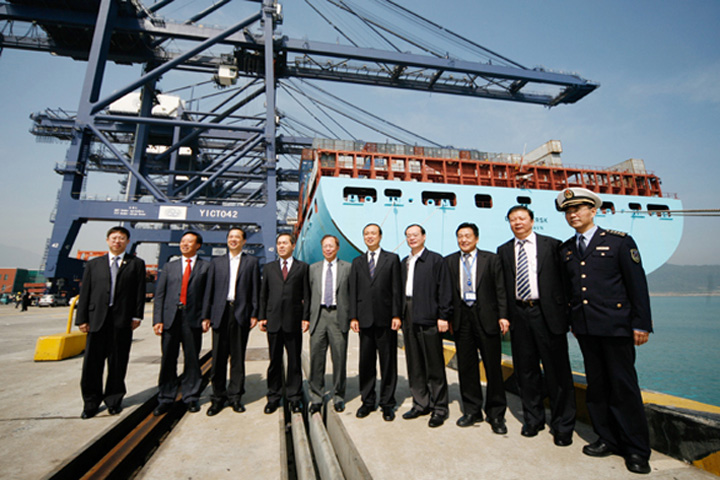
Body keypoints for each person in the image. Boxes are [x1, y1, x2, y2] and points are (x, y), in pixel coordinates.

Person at [557, 187, 653, 475]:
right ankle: (607, 438)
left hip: (616, 327)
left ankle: (636, 449)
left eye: (578, 209)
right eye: (568, 211)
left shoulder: (619, 242)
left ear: (592, 211)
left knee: (623, 387)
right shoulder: (567, 249)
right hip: (586, 329)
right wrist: (572, 322)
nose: (573, 214)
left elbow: (637, 285)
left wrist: (641, 323)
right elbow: (569, 290)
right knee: (597, 387)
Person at [497, 206, 576, 446]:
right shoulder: (504, 250)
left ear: (532, 220)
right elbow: (502, 287)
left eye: (521, 218)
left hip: (547, 314)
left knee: (557, 372)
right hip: (519, 314)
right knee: (526, 371)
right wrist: (504, 315)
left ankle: (563, 425)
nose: (517, 223)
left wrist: (569, 316)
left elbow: (567, 282)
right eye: (512, 220)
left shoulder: (553, 246)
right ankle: (533, 419)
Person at [444, 222, 509, 434]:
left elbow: (500, 289)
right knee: (467, 367)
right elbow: (446, 294)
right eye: (460, 236)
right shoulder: (450, 261)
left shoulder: (491, 259)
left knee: (493, 368)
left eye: (467, 236)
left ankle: (496, 414)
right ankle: (472, 410)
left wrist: (503, 316)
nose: (463, 240)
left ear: (477, 238)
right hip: (462, 320)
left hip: (487, 319)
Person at [76, 226, 146, 419]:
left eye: (122, 238)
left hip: (122, 320)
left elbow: (139, 292)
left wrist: (137, 316)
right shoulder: (93, 264)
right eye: (114, 238)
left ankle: (114, 401)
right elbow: (85, 293)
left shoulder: (136, 264)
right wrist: (81, 318)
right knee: (92, 364)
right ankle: (90, 403)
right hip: (96, 319)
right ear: (107, 240)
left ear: (127, 242)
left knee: (118, 362)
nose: (117, 241)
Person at [202, 227, 260, 416]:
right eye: (231, 237)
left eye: (237, 237)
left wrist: (254, 314)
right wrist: (206, 315)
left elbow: (254, 290)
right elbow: (208, 291)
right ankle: (218, 398)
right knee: (218, 358)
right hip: (220, 312)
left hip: (240, 312)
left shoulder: (251, 262)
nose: (233, 240)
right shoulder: (216, 263)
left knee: (237, 358)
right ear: (227, 240)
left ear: (244, 241)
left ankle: (235, 397)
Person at [348, 223, 403, 421]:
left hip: (386, 319)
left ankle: (387, 403)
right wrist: (353, 316)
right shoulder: (357, 261)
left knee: (388, 362)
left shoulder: (392, 259)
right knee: (366, 362)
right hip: (364, 320)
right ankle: (367, 401)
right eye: (366, 234)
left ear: (380, 236)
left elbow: (397, 289)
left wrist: (397, 315)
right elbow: (353, 291)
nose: (370, 236)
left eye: (373, 233)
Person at [152, 231, 210, 416]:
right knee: (168, 358)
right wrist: (157, 319)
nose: (184, 244)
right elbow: (160, 295)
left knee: (192, 359)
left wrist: (206, 317)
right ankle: (165, 397)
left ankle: (191, 397)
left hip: (193, 318)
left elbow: (208, 296)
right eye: (183, 241)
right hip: (170, 318)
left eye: (189, 242)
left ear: (198, 245)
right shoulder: (169, 267)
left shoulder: (205, 267)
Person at [401, 224, 452, 428]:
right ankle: (420, 403)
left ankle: (439, 407)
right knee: (414, 363)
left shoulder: (435, 260)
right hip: (408, 314)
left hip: (430, 314)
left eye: (415, 235)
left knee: (434, 364)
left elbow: (445, 289)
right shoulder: (404, 261)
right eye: (408, 236)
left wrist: (443, 316)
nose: (412, 238)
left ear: (423, 236)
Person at [258, 233, 310, 414]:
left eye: (285, 243)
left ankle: (294, 397)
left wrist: (305, 317)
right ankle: (273, 396)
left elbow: (307, 295)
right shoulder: (269, 268)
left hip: (293, 321)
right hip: (273, 321)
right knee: (274, 361)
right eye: (279, 243)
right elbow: (263, 294)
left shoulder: (302, 268)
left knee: (294, 361)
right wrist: (262, 316)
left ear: (293, 246)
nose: (281, 246)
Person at [308, 235, 351, 414]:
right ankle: (316, 397)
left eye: (331, 246)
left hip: (338, 316)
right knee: (316, 358)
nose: (328, 249)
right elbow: (309, 293)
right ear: (322, 248)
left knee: (339, 358)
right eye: (325, 246)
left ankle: (339, 396)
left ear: (337, 248)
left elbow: (352, 293)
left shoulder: (348, 268)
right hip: (318, 316)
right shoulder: (313, 269)